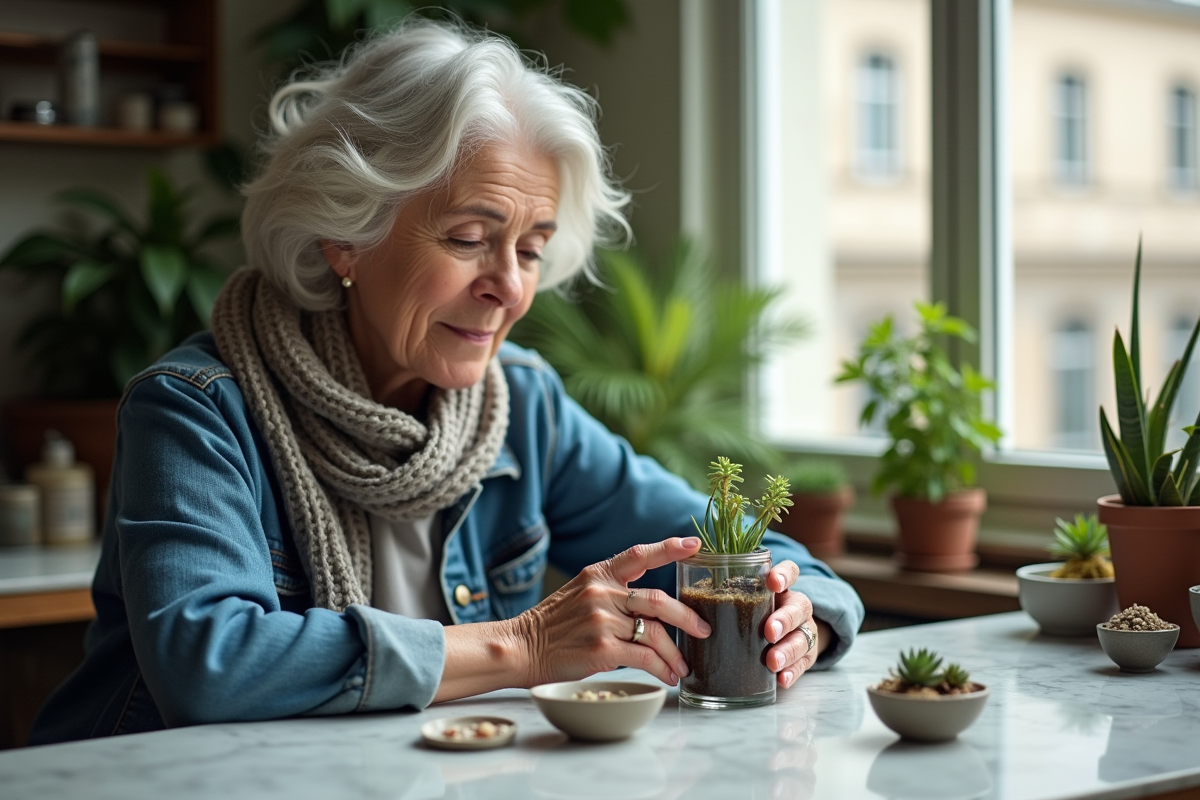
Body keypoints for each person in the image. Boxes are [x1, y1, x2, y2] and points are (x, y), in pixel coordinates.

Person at [31, 19, 863, 744]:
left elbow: (749, 553)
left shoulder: (523, 405)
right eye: (470, 237)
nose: (509, 284)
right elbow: (208, 664)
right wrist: (526, 646)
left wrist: (803, 620)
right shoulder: (195, 409)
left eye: (532, 248)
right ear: (344, 236)